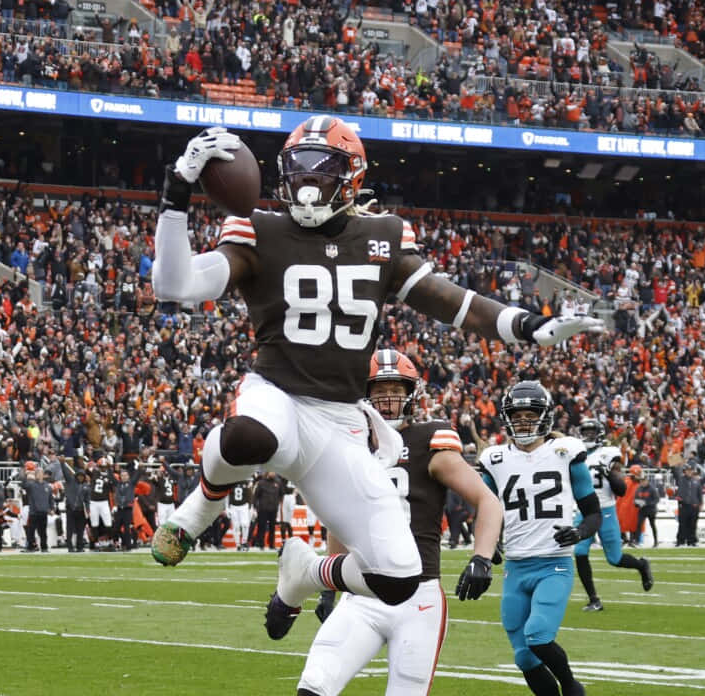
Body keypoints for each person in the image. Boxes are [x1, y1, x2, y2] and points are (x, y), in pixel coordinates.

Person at [150, 117, 601, 621]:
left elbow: (450, 301)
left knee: (399, 578)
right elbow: (175, 286)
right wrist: (176, 193)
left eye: (321, 171)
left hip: (340, 421)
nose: (306, 182)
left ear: (352, 178)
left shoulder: (382, 235)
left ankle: (304, 573)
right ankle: (199, 510)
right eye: (298, 170)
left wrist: (526, 325)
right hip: (276, 392)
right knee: (249, 436)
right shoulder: (261, 229)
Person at [274, 349, 505, 696]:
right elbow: (341, 521)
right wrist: (328, 590)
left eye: (396, 391)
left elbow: (487, 500)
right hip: (361, 594)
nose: (387, 401)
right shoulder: (350, 446)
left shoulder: (430, 441)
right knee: (314, 686)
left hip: (418, 598)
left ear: (412, 394)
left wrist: (481, 557)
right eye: (379, 392)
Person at [478, 381, 602, 696]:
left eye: (529, 415)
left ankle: (573, 688)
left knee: (538, 635)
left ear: (544, 417)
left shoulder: (565, 452)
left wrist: (579, 532)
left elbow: (593, 512)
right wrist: (487, 546)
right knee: (523, 656)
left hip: (553, 564)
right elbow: (484, 506)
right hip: (516, 567)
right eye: (515, 415)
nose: (522, 422)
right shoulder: (495, 459)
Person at [570, 419, 653, 612]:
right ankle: (593, 599)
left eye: (592, 432)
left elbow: (622, 490)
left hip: (605, 510)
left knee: (614, 559)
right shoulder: (576, 455)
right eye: (586, 432)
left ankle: (641, 565)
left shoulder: (608, 454)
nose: (588, 436)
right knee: (580, 552)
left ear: (599, 434)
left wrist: (608, 473)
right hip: (584, 510)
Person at [22, 469, 53, 552]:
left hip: (43, 511)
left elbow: (50, 499)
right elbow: (23, 485)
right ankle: (30, 547)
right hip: (34, 512)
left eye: (40, 473)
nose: (39, 475)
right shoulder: (31, 485)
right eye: (37, 473)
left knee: (43, 532)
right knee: (31, 531)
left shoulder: (47, 486)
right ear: (35, 475)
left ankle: (44, 547)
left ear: (43, 475)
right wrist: (26, 475)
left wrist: (52, 508)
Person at [62, 459, 90, 552]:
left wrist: (88, 509)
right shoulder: (70, 481)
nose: (81, 478)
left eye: (82, 476)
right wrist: (62, 463)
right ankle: (70, 547)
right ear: (77, 476)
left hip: (81, 510)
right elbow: (65, 472)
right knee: (69, 529)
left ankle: (79, 546)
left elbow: (87, 500)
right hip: (71, 509)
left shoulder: (86, 486)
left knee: (80, 530)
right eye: (79, 476)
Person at [632, 467, 661, 548]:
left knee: (652, 525)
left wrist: (647, 503)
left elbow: (657, 499)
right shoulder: (639, 489)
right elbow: (635, 498)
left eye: (644, 481)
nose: (642, 482)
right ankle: (637, 541)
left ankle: (655, 541)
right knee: (638, 525)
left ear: (647, 481)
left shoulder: (652, 489)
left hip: (651, 510)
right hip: (642, 510)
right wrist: (636, 503)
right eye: (641, 481)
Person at [251, 471, 281, 550]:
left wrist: (278, 505)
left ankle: (272, 545)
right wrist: (255, 507)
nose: (273, 474)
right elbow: (256, 496)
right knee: (262, 527)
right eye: (272, 472)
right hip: (263, 509)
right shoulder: (261, 483)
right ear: (268, 472)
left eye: (274, 472)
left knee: (272, 528)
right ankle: (261, 544)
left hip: (273, 509)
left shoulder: (278, 482)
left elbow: (281, 494)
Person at [226, 475, 253, 551]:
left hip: (244, 506)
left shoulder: (246, 482)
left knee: (245, 525)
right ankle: (237, 544)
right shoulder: (231, 483)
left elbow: (250, 495)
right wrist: (227, 507)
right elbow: (227, 495)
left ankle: (244, 542)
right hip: (233, 506)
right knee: (236, 526)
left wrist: (250, 506)